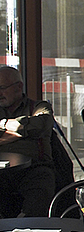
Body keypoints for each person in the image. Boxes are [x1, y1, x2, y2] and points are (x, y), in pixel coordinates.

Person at [0, 66, 56, 217]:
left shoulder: (39, 107)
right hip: (2, 171)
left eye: (3, 88)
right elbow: (31, 128)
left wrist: (4, 125)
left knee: (41, 190)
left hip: (35, 168)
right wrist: (22, 131)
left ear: (19, 86)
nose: (0, 93)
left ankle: (29, 231)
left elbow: (42, 124)